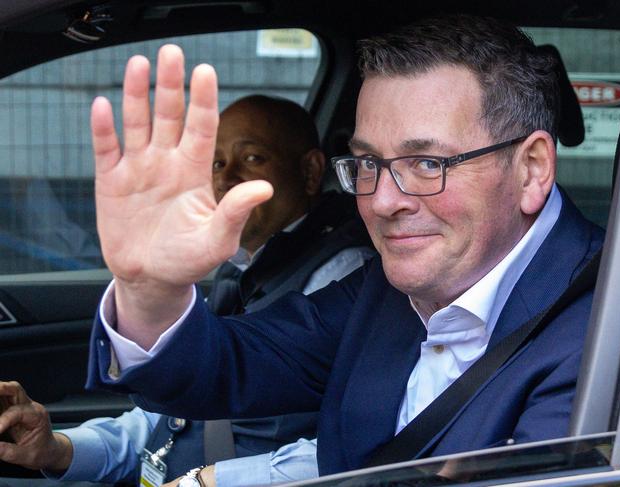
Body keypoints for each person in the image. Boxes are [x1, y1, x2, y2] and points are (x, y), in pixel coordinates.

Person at [1, 13, 606, 486]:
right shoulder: (389, 291)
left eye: (427, 163)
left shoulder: (610, 330)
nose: (383, 200)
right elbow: (226, 367)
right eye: (369, 163)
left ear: (531, 169)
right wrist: (150, 288)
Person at [0, 95, 373, 485]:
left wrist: (208, 481)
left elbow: (354, 448)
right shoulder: (240, 269)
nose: (226, 178)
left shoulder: (343, 277)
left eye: (251, 159)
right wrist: (58, 449)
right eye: (216, 163)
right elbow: (167, 419)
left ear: (311, 171)